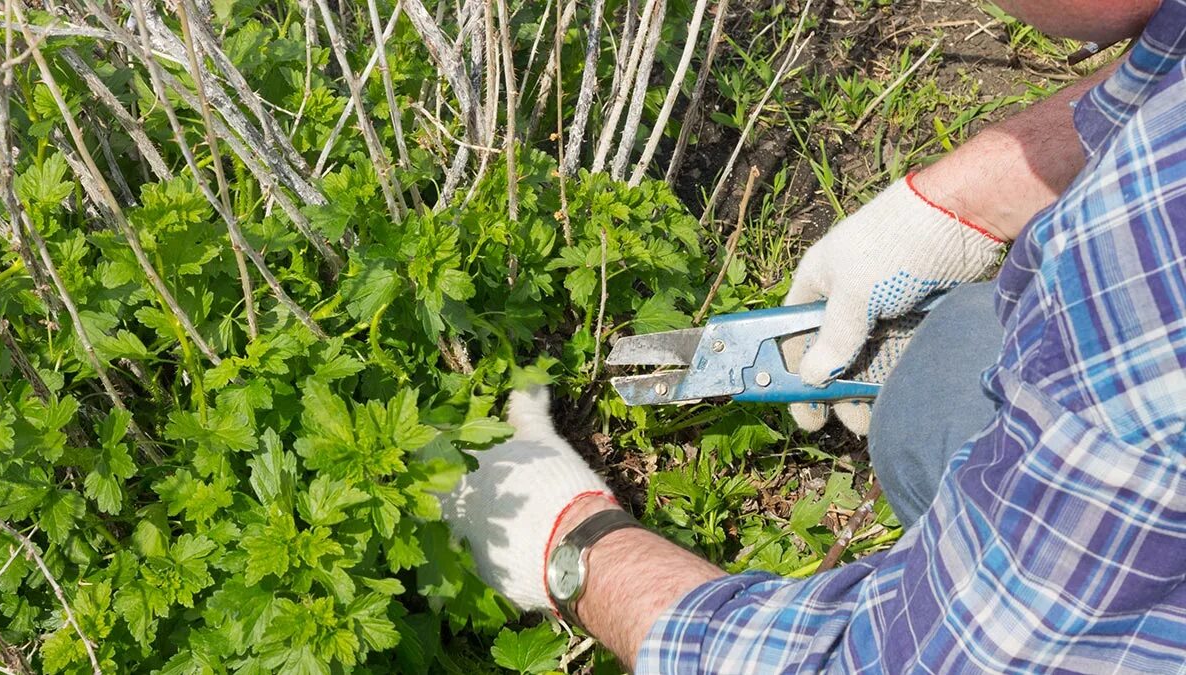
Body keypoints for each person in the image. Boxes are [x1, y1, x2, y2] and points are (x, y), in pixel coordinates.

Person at [440, 0, 1186, 670]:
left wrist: (573, 546)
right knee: (947, 364)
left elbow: (889, 661)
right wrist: (971, 196)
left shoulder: (1148, 279)